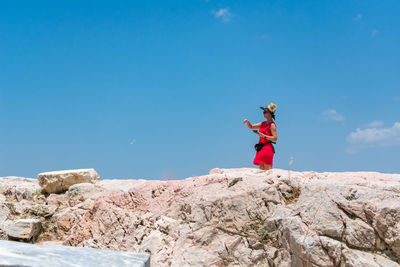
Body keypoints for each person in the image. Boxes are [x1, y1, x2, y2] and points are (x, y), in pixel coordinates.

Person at [243, 103, 278, 170]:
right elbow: (251, 126)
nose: (263, 113)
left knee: (268, 170)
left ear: (270, 114)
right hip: (261, 148)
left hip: (267, 147)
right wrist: (247, 122)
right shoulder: (263, 123)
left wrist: (263, 136)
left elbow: (275, 138)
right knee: (261, 169)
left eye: (265, 112)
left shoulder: (272, 125)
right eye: (263, 112)